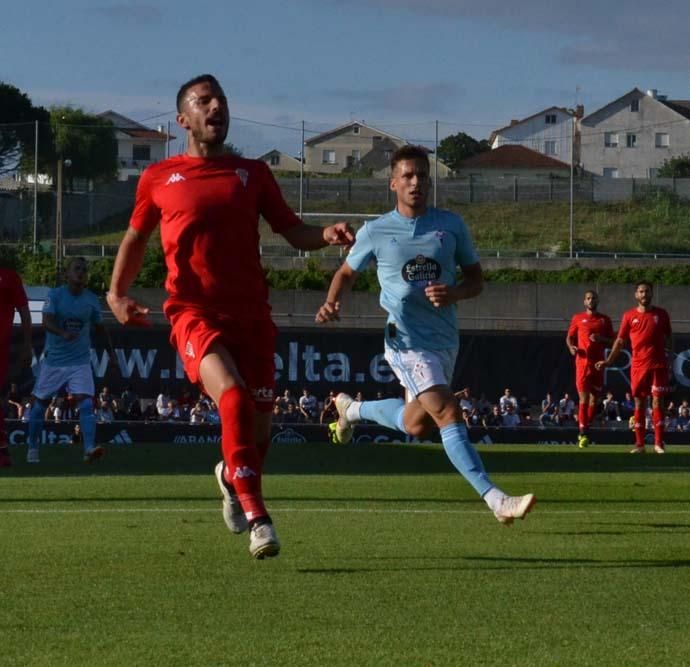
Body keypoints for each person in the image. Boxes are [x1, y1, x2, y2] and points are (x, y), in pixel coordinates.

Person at [106, 74, 355, 559]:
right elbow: (135, 239)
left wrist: (324, 235)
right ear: (183, 119)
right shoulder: (159, 178)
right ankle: (259, 517)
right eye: (204, 101)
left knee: (259, 433)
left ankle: (228, 475)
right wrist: (116, 294)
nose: (215, 106)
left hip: (252, 316)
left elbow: (291, 229)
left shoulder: (252, 174)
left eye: (220, 100)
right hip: (193, 312)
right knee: (234, 397)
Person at [315, 144, 535, 526]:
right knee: (448, 411)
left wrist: (454, 293)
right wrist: (332, 302)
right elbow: (346, 273)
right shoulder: (376, 230)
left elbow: (476, 280)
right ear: (393, 183)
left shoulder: (450, 225)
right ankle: (495, 498)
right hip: (405, 340)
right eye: (408, 176)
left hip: (445, 339)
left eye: (422, 175)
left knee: (417, 424)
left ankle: (350, 410)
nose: (416, 182)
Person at [26, 257, 115, 464]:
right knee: (39, 405)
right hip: (54, 361)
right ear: (67, 274)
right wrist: (62, 333)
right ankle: (32, 448)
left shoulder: (92, 299)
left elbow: (100, 329)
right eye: (77, 269)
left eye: (84, 270)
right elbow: (46, 321)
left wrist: (111, 353)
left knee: (86, 402)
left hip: (80, 362)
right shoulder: (55, 295)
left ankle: (89, 448)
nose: (81, 272)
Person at [596, 281, 673, 454]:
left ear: (652, 294)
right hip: (638, 366)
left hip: (658, 365)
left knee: (657, 401)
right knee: (639, 402)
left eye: (647, 291)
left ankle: (659, 443)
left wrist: (671, 359)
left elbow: (669, 337)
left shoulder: (661, 314)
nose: (644, 294)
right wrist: (608, 361)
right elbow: (620, 341)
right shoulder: (629, 316)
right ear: (636, 295)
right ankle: (639, 444)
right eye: (641, 292)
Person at [566, 289, 615, 448]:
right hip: (582, 364)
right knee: (584, 399)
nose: (591, 300)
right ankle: (582, 432)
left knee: (594, 399)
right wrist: (571, 347)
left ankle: (585, 425)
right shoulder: (578, 318)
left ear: (597, 300)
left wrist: (600, 338)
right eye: (588, 298)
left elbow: (613, 342)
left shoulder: (604, 320)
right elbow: (569, 337)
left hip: (598, 364)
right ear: (584, 301)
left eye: (593, 298)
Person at [0, 260, 32, 468]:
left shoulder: (9, 277)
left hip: (1, 349)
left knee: (1, 398)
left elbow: (24, 312)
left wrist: (27, 345)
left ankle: (2, 448)